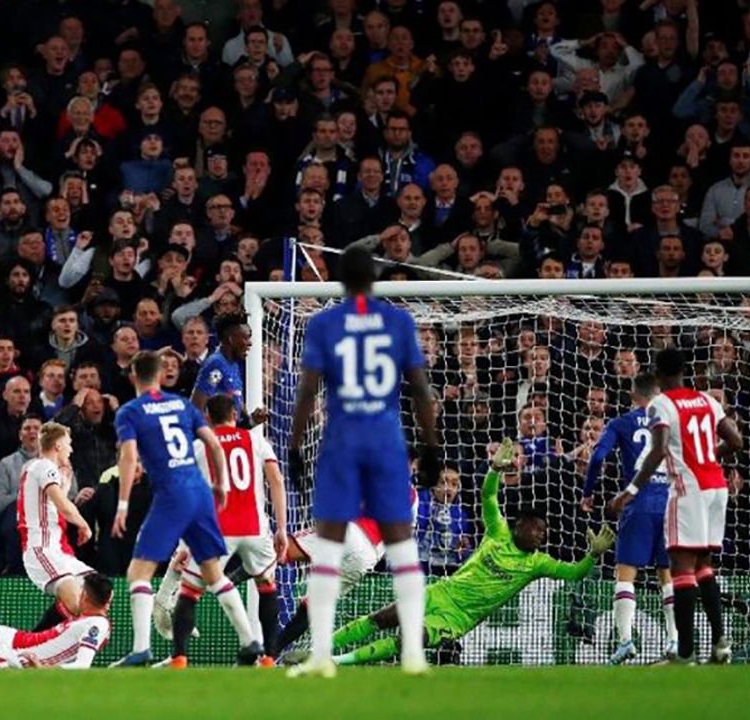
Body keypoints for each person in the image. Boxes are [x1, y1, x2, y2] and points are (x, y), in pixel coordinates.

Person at [320, 439, 616, 666]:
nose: (541, 534)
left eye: (544, 532)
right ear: (519, 525)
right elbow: (489, 495)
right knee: (381, 618)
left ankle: (337, 661)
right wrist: (495, 470)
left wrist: (593, 555)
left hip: (457, 618)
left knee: (410, 639)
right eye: (536, 528)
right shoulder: (498, 531)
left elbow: (574, 573)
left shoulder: (538, 562)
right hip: (441, 592)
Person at [286, 244, 440, 678]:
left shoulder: (325, 324)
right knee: (401, 545)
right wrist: (431, 448)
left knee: (329, 545)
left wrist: (295, 447)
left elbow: (308, 390)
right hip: (386, 441)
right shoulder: (397, 321)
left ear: (340, 280)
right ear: (373, 279)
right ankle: (413, 653)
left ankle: (320, 655)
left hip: (343, 442)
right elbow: (420, 390)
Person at [109, 350, 262, 667]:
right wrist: (221, 484)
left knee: (138, 572)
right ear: (160, 375)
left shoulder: (130, 412)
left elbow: (128, 457)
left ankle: (141, 649)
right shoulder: (181, 404)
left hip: (171, 494)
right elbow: (214, 443)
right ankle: (250, 642)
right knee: (213, 573)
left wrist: (122, 503)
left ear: (134, 376)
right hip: (200, 492)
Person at [609, 347, 744, 665]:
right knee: (704, 567)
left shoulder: (662, 404)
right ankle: (720, 644)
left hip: (688, 489)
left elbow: (657, 451)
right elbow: (736, 441)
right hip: (717, 488)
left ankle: (683, 653)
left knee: (681, 568)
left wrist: (629, 491)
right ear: (685, 371)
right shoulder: (707, 400)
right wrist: (709, 455)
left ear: (657, 374)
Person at [161, 394, 287, 667]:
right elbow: (276, 480)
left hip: (218, 530)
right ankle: (269, 658)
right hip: (255, 528)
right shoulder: (255, 440)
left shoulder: (199, 447)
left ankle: (179, 657)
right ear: (234, 415)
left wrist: (184, 541)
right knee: (266, 586)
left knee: (190, 591)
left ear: (207, 417)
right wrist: (282, 528)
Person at [580, 373, 678, 664]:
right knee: (667, 575)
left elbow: (598, 457)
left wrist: (588, 493)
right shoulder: (673, 423)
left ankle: (625, 641)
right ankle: (674, 641)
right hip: (670, 503)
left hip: (637, 502)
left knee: (625, 574)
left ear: (633, 396)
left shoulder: (620, 423)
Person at [18, 421, 93, 628]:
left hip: (57, 550)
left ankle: (43, 641)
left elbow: (52, 504)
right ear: (58, 446)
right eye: (68, 444)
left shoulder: (37, 468)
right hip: (41, 548)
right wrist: (84, 525)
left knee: (98, 590)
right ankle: (35, 642)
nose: (71, 449)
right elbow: (63, 506)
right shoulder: (45, 466)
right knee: (75, 602)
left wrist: (65, 484)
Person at [190, 314, 266, 427]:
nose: (250, 343)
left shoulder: (234, 365)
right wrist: (209, 436)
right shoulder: (216, 366)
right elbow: (197, 407)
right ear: (231, 339)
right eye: (246, 338)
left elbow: (238, 421)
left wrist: (253, 420)